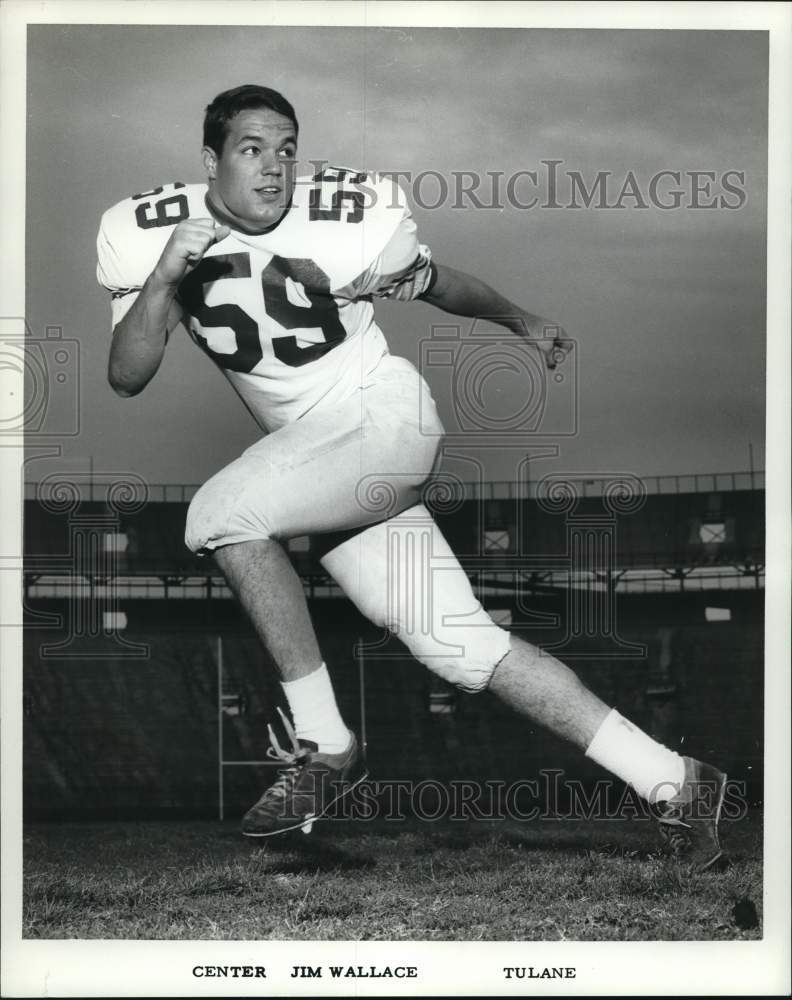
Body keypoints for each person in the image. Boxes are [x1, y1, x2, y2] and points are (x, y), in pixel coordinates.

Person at [97, 84, 726, 868]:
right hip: (319, 464)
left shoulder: (343, 219)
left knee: (221, 514)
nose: (274, 168)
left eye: (287, 149)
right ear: (211, 159)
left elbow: (440, 283)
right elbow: (126, 376)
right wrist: (162, 280)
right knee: (466, 649)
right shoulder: (152, 232)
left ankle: (324, 744)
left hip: (381, 420)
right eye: (252, 149)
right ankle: (675, 780)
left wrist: (520, 319)